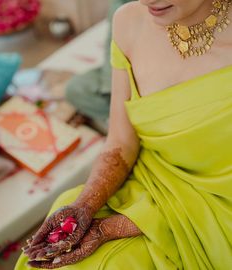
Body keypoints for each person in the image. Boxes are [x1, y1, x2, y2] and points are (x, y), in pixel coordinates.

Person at [16, 0, 232, 269]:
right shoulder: (129, 21)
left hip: (215, 216)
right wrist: (84, 206)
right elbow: (121, 141)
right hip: (148, 182)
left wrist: (110, 229)